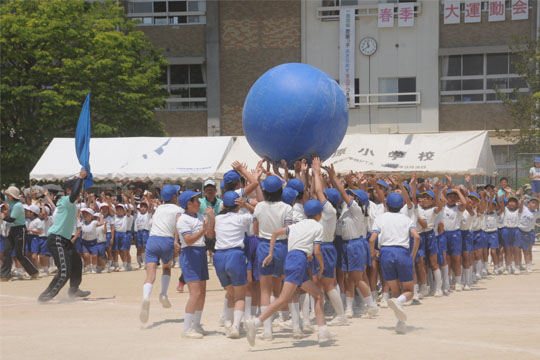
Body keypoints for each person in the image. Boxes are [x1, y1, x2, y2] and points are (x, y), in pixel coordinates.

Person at [245, 199, 337, 346]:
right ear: (320, 214)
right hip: (299, 262)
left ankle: (323, 331)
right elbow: (318, 251)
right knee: (283, 299)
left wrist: (270, 253)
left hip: (292, 259)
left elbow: (275, 233)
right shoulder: (318, 227)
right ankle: (255, 323)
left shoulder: (296, 225)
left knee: (317, 294)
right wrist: (321, 264)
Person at [369, 193, 420, 334]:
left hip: (386, 252)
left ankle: (400, 322)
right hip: (402, 252)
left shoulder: (380, 219)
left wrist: (373, 253)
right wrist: (413, 254)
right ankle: (400, 317)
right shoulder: (406, 219)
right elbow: (416, 236)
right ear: (402, 206)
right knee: (409, 290)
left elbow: (372, 239)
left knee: (395, 290)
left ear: (386, 205)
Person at [38, 170, 91, 302]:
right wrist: (80, 177)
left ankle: (73, 290)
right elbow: (73, 195)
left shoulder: (71, 204)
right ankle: (45, 296)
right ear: (68, 191)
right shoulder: (66, 200)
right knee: (64, 271)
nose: (78, 194)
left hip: (65, 240)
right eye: (76, 191)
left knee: (77, 264)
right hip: (56, 239)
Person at [207, 191, 252, 338]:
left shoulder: (218, 219)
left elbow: (209, 236)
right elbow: (258, 213)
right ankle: (235, 326)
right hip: (235, 254)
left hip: (218, 256)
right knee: (240, 296)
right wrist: (246, 204)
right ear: (237, 204)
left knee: (231, 293)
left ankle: (228, 321)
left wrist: (212, 218)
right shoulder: (241, 218)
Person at [253, 175, 293, 341]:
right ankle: (288, 319)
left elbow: (255, 230)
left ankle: (267, 330)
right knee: (283, 285)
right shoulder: (287, 207)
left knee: (265, 289)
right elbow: (289, 230)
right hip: (282, 246)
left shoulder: (259, 207)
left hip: (263, 245)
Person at [139, 185, 182, 325]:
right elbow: (177, 225)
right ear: (174, 197)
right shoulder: (178, 210)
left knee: (149, 276)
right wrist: (176, 241)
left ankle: (146, 297)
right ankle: (163, 293)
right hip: (167, 240)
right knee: (166, 268)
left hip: (152, 240)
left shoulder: (158, 209)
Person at [177, 190, 212, 339]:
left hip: (200, 252)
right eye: (196, 201)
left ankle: (196, 324)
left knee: (202, 292)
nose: (199, 203)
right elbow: (189, 240)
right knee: (195, 293)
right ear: (188, 204)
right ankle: (186, 327)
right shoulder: (183, 219)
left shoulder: (199, 216)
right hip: (190, 253)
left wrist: (211, 219)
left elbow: (209, 235)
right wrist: (203, 230)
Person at [0, 186, 39, 281]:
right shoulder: (11, 201)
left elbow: (11, 219)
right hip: (13, 229)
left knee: (20, 254)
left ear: (12, 196)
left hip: (20, 230)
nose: (7, 196)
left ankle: (34, 272)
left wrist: (2, 217)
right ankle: (5, 275)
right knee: (6, 251)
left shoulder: (18, 205)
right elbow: (2, 196)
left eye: (8, 194)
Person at [198, 180, 222, 266]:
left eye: (212, 189)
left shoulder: (221, 203)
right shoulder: (200, 202)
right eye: (207, 189)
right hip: (204, 230)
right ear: (204, 191)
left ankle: (213, 259)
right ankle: (208, 258)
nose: (210, 191)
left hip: (217, 230)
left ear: (215, 190)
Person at [516, 196, 539, 273]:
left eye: (536, 204)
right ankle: (518, 266)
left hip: (529, 232)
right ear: (528, 204)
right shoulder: (524, 209)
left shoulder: (536, 213)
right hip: (520, 231)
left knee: (527, 250)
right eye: (533, 203)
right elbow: (520, 205)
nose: (534, 204)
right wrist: (522, 200)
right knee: (518, 249)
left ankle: (528, 266)